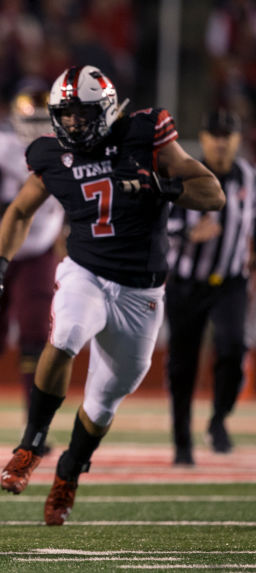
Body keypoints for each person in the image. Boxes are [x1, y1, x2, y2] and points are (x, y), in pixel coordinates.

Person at [0, 65, 224, 526]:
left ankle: (69, 472)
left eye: (82, 114)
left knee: (107, 398)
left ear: (108, 110)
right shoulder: (49, 155)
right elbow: (19, 211)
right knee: (67, 332)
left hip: (141, 291)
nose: (72, 124)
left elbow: (212, 194)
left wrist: (160, 185)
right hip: (86, 271)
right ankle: (31, 442)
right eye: (65, 114)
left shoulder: (145, 134)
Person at [0, 81, 65, 426]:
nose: (36, 128)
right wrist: (14, 203)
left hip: (39, 249)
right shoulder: (0, 149)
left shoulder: (69, 150)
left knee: (36, 327)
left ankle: (34, 418)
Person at [165, 109, 254, 465]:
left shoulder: (250, 178)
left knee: (234, 347)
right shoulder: (184, 174)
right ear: (202, 139)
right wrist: (188, 233)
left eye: (227, 134)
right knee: (182, 365)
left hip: (230, 282)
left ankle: (218, 420)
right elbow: (159, 225)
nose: (220, 141)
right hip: (187, 283)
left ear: (237, 139)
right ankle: (182, 443)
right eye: (214, 134)